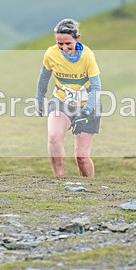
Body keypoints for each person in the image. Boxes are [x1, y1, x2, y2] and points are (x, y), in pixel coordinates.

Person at [36, 18, 101, 178]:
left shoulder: (87, 56)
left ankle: (90, 187)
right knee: (53, 137)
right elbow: (44, 78)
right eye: (60, 44)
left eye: (68, 44)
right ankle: (60, 179)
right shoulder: (51, 54)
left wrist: (85, 113)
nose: (64, 48)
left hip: (88, 106)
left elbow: (96, 87)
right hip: (61, 102)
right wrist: (39, 99)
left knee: (81, 157)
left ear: (77, 38)